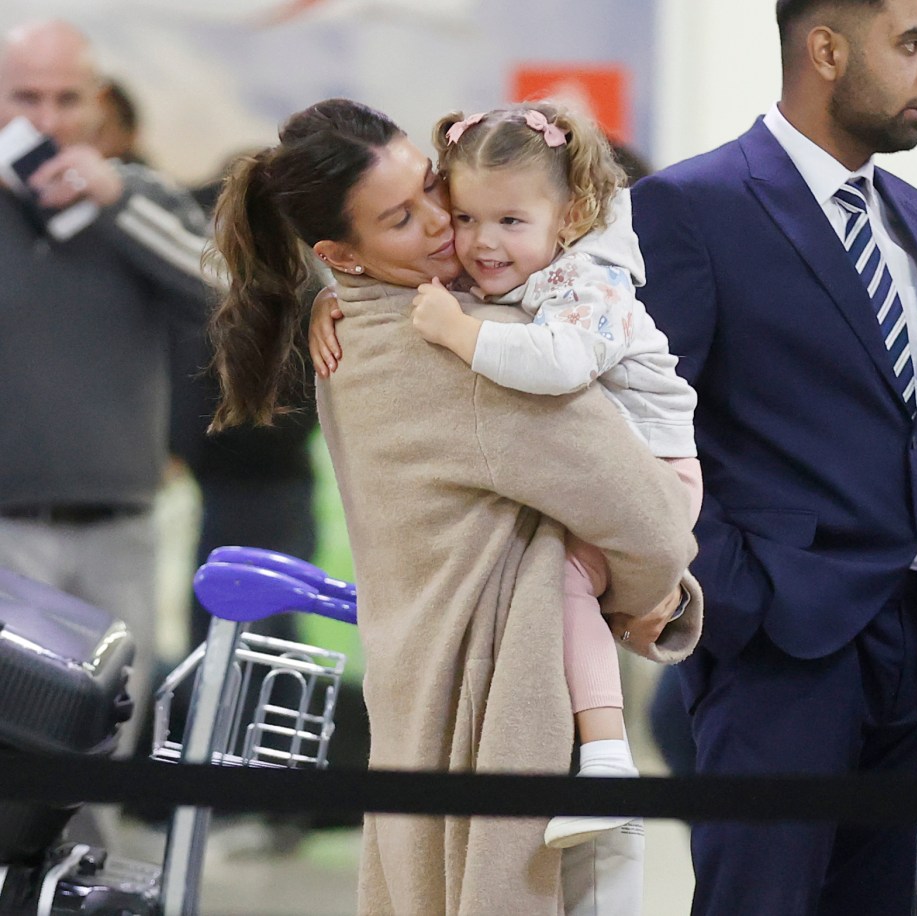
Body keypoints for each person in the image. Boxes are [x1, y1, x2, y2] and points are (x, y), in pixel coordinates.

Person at [207, 97, 702, 914]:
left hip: (421, 711)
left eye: (433, 189)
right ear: (342, 252)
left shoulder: (363, 325)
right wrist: (662, 595)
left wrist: (331, 293)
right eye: (402, 218)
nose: (446, 226)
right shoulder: (455, 350)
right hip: (501, 719)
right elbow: (646, 517)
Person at [630, 0, 917, 913]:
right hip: (781, 644)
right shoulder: (690, 207)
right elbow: (642, 434)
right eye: (914, 45)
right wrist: (738, 596)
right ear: (825, 48)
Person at [396, 101, 702, 852]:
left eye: (509, 221)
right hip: (592, 484)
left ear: (568, 217)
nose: (481, 243)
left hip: (656, 475)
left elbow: (558, 364)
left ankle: (605, 760)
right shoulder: (519, 278)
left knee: (561, 579)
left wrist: (455, 331)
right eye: (466, 219)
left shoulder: (590, 284)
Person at [0, 19, 211, 759]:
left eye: (66, 98)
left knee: (106, 747)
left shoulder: (142, 197)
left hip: (120, 526)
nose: (48, 120)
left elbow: (229, 297)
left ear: (96, 104)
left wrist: (120, 203)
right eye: (26, 97)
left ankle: (81, 877)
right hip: (5, 531)